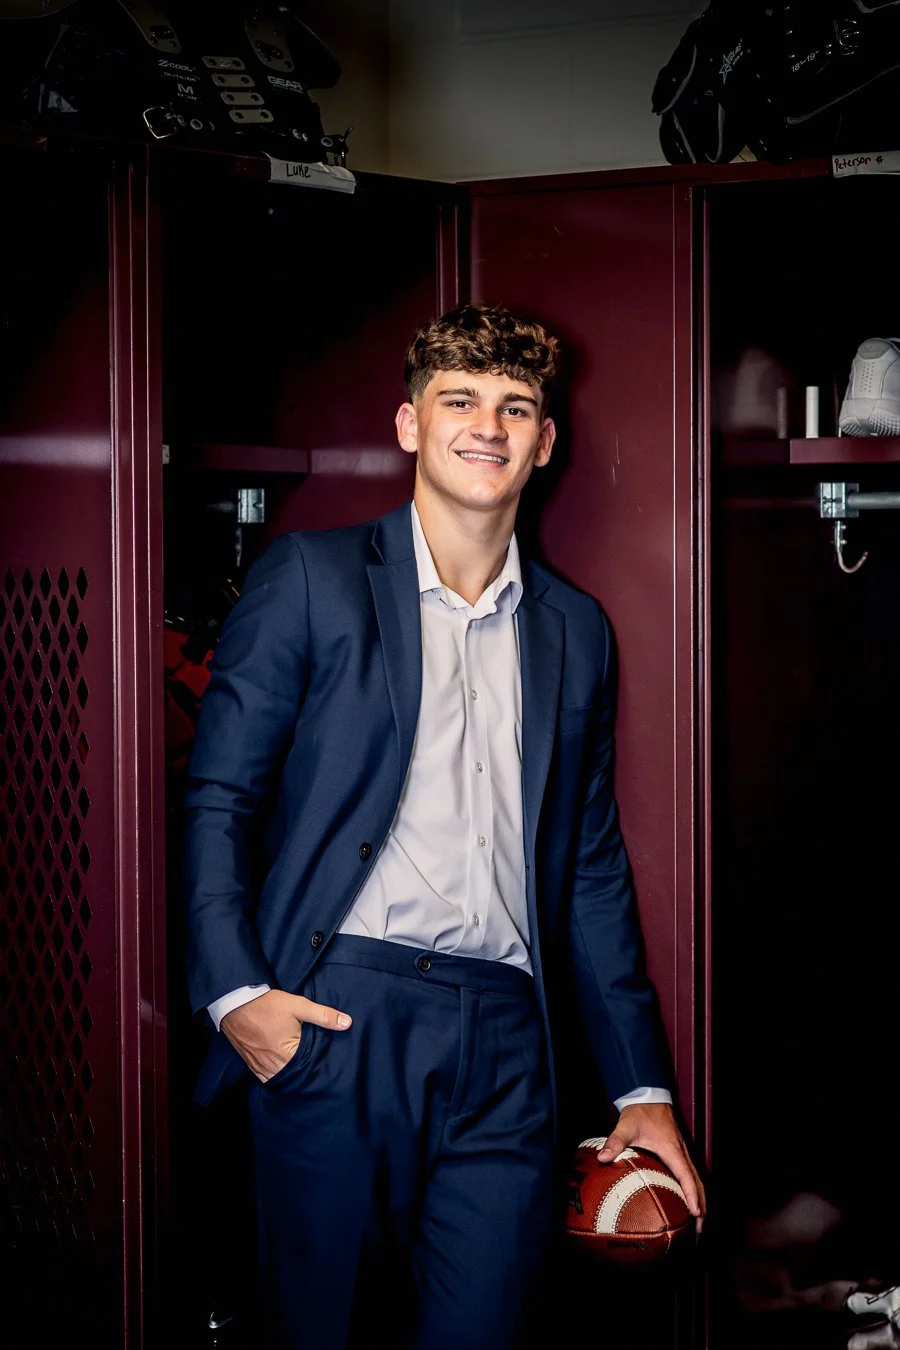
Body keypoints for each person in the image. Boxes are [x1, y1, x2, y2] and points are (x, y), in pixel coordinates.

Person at [183, 302, 706, 1350]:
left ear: (546, 442)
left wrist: (641, 1086)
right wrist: (241, 998)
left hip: (510, 1043)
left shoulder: (576, 631)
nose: (489, 427)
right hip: (338, 1025)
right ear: (410, 424)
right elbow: (218, 800)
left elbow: (590, 868)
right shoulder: (310, 580)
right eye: (459, 400)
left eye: (517, 408)